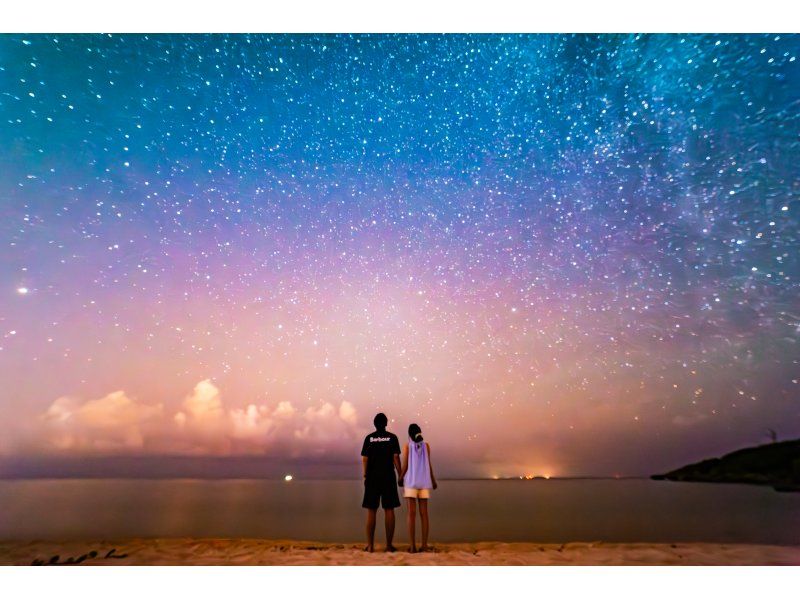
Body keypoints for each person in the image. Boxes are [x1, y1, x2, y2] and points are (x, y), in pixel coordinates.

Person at [361, 412, 402, 552]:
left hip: (372, 478)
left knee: (371, 511)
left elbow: (365, 459)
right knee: (389, 509)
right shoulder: (392, 437)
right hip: (388, 477)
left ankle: (370, 546)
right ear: (386, 423)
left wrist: (365, 474)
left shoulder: (369, 438)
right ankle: (389, 545)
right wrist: (400, 474)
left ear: (374, 424)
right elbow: (395, 457)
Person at [398, 423, 437, 553]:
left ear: (409, 434)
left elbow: (405, 466)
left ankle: (413, 546)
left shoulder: (407, 446)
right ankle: (424, 545)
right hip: (424, 482)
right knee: (424, 514)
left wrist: (400, 478)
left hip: (411, 483)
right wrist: (433, 480)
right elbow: (428, 465)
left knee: (411, 514)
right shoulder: (426, 446)